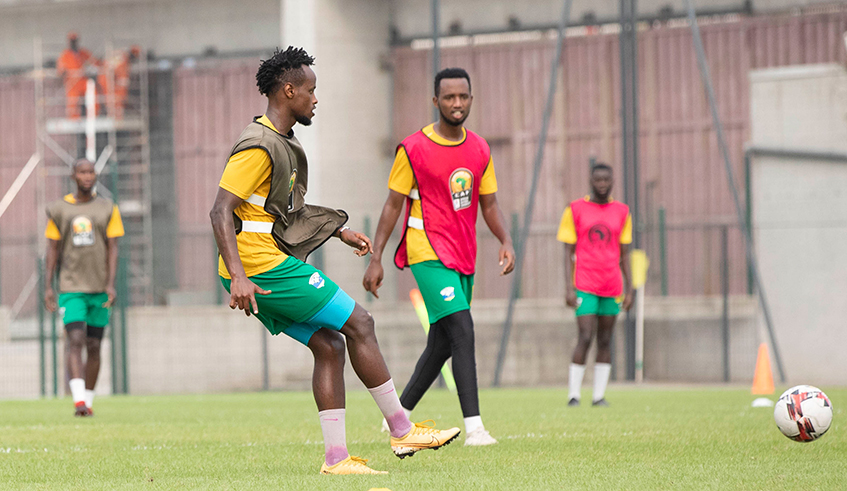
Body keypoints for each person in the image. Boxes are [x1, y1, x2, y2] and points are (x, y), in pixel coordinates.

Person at [209, 46, 460, 476]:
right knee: (360, 322)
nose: (315, 98)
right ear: (288, 91)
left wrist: (339, 231)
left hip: (258, 265)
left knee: (329, 346)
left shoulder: (283, 142)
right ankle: (401, 430)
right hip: (259, 267)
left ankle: (336, 460)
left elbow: (284, 212)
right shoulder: (257, 146)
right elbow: (219, 210)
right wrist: (238, 277)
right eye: (310, 90)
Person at [364, 67, 516, 446]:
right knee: (463, 330)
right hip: (426, 252)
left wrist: (505, 240)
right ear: (436, 101)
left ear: (471, 98)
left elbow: (490, 203)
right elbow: (392, 205)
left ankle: (397, 418)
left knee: (443, 343)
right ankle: (475, 429)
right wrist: (377, 257)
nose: (457, 104)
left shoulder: (480, 148)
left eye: (463, 97)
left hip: (464, 255)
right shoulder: (413, 148)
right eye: (449, 97)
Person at [44, 159, 124, 416]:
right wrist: (48, 286)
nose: (87, 176)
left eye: (91, 172)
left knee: (94, 345)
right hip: (71, 287)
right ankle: (78, 401)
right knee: (75, 339)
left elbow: (113, 248)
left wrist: (110, 285)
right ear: (73, 176)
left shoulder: (108, 208)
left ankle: (87, 400)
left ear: (95, 175)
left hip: (99, 288)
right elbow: (52, 249)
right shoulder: (58, 209)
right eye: (82, 172)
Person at [556, 163, 633, 407]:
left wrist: (630, 289)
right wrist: (568, 287)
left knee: (606, 339)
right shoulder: (575, 209)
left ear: (612, 181)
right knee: (586, 335)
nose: (602, 184)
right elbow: (568, 250)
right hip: (585, 283)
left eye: (606, 180)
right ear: (590, 180)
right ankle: (574, 395)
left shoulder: (622, 211)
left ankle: (598, 396)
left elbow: (625, 252)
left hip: (612, 284)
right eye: (598, 180)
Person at [56, 32, 99, 119]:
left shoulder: (83, 53)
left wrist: (89, 69)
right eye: (72, 41)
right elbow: (60, 71)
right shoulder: (65, 55)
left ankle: (93, 116)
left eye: (75, 41)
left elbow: (95, 63)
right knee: (73, 101)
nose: (73, 43)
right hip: (72, 83)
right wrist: (68, 72)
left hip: (83, 81)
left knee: (93, 93)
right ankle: (74, 120)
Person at [98, 45, 139, 119]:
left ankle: (114, 115)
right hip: (108, 79)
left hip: (107, 78)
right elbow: (123, 78)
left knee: (113, 99)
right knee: (117, 98)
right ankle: (116, 117)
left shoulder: (121, 56)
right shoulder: (124, 60)